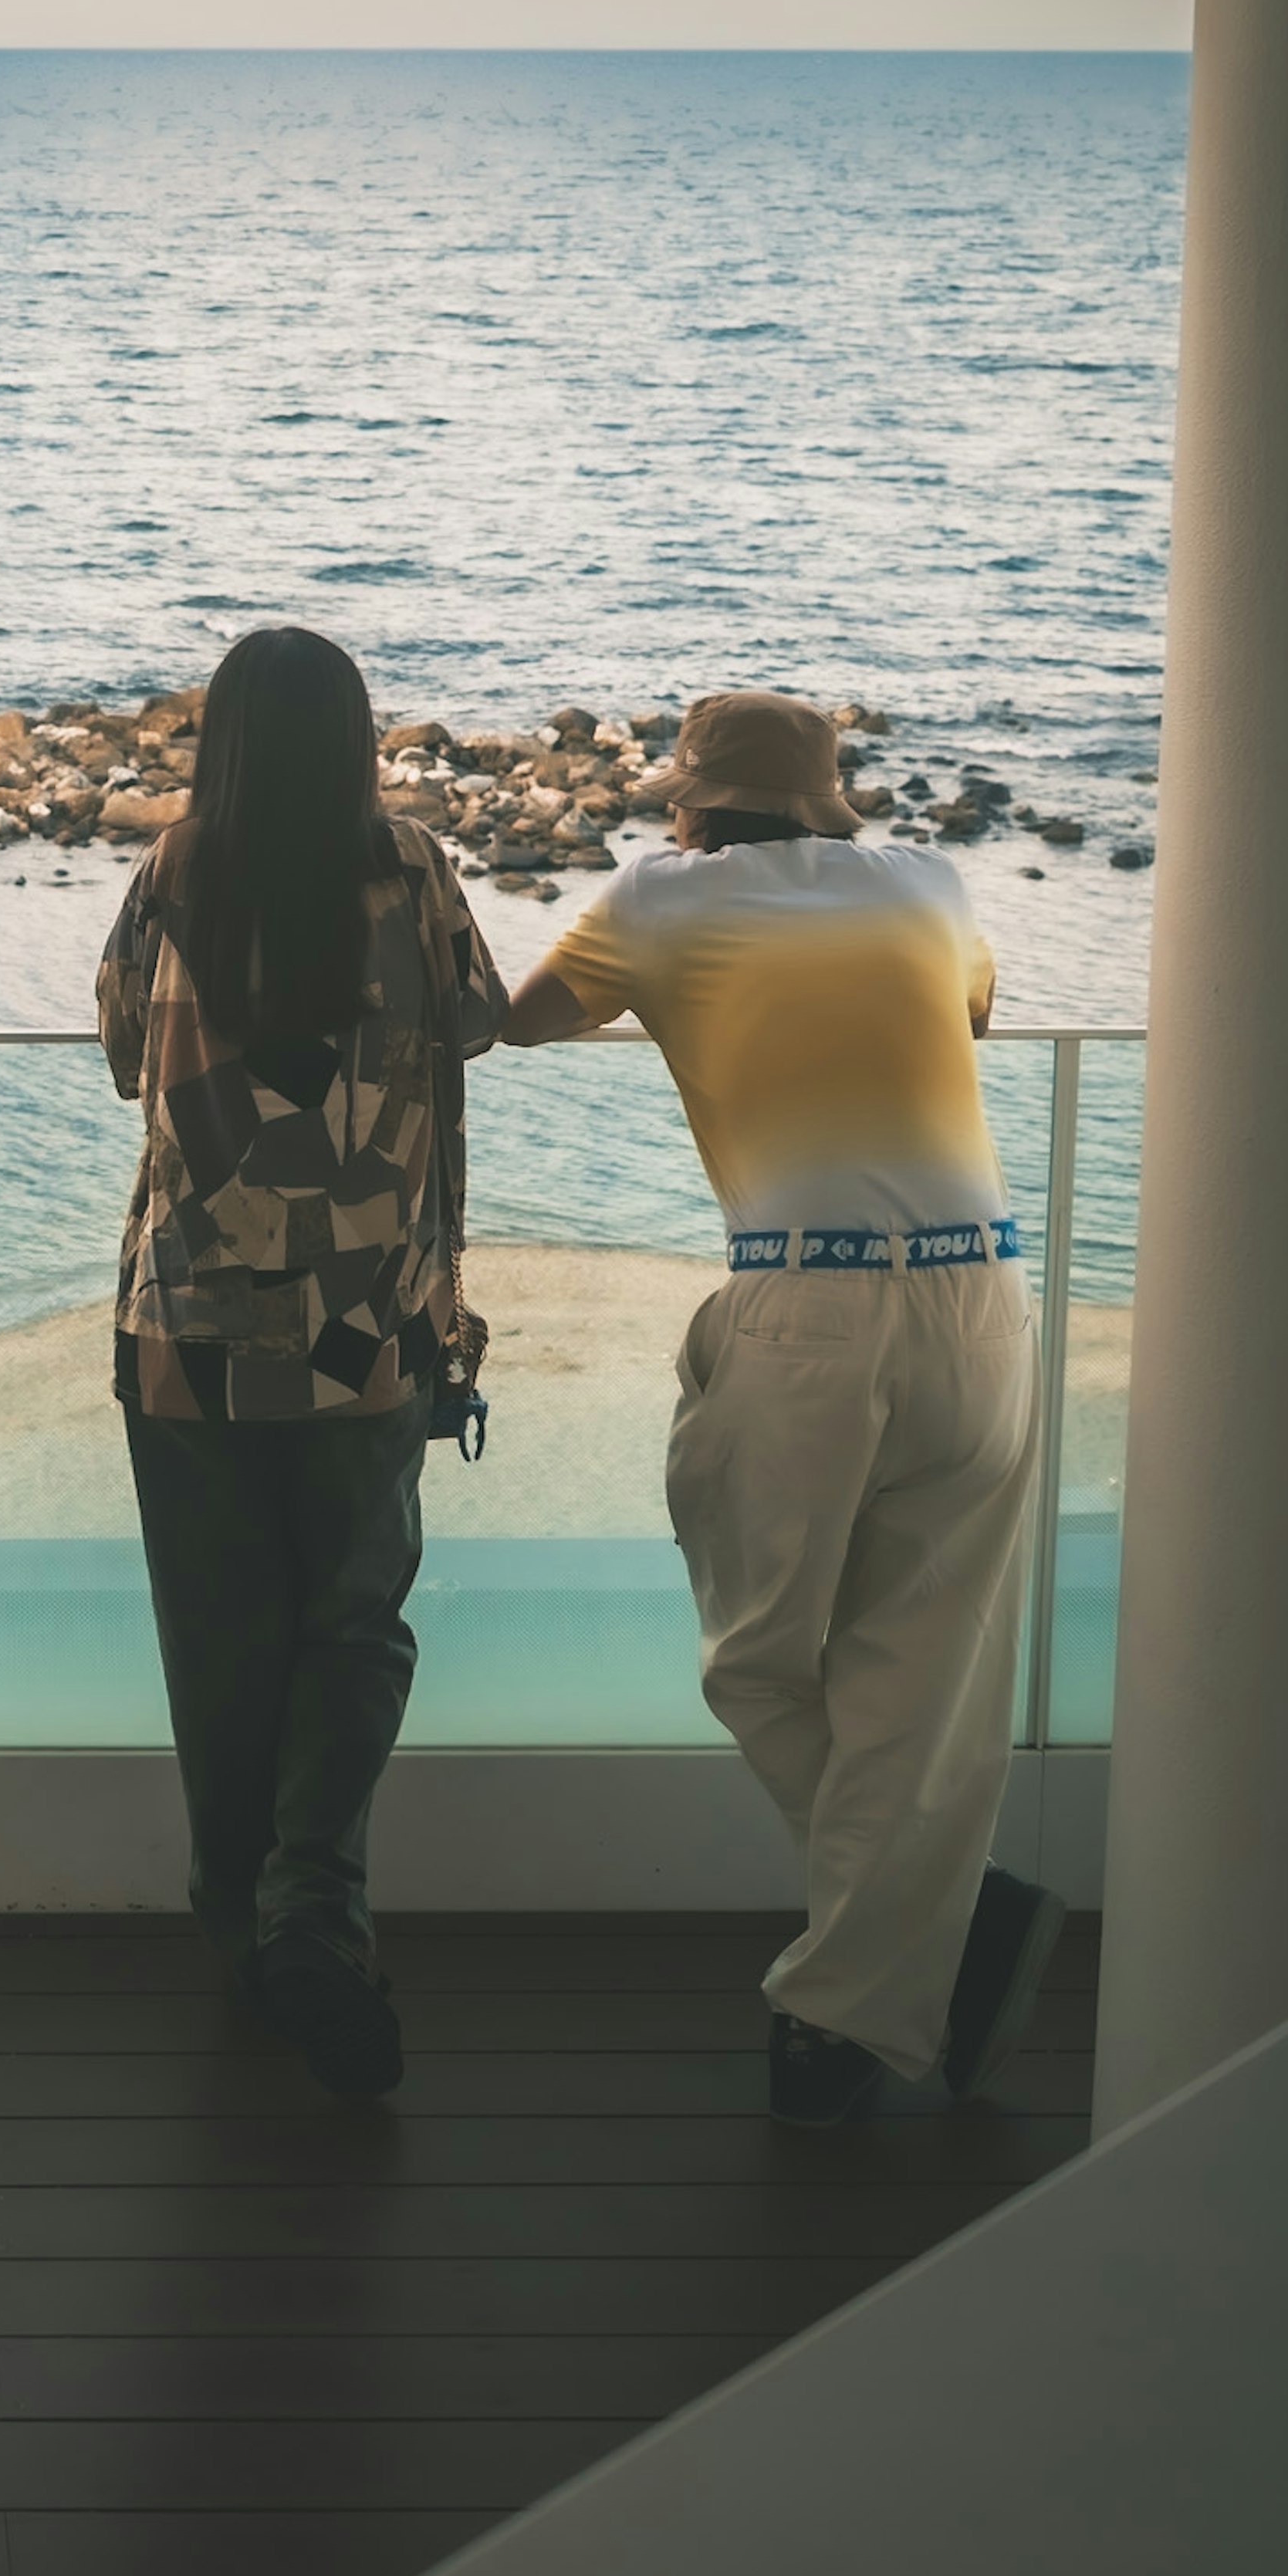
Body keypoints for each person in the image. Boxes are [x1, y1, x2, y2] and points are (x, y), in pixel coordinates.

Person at [501, 688, 1065, 2128]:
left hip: (810, 1302)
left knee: (759, 1658)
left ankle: (919, 1933)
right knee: (920, 1675)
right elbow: (973, 1017)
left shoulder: (659, 896)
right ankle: (866, 1990)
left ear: (690, 801)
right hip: (987, 1303)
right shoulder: (929, 884)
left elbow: (511, 1025)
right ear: (828, 801)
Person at [99, 624, 504, 2097]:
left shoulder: (175, 870)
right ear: (357, 739)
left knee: (220, 1646)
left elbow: (115, 1044)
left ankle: (244, 1935)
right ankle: (313, 1908)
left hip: (190, 1331)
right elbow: (479, 1022)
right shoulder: (413, 871)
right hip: (368, 1334)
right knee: (355, 1621)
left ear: (223, 742)